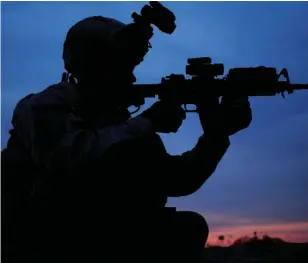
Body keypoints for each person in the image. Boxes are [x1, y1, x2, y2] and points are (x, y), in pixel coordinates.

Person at [2, 16, 252, 260]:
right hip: (42, 236)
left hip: (99, 232)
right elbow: (65, 159)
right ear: (92, 66)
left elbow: (177, 180)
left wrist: (217, 135)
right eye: (121, 68)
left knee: (187, 228)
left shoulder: (119, 122)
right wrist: (146, 123)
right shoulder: (44, 106)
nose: (131, 78)